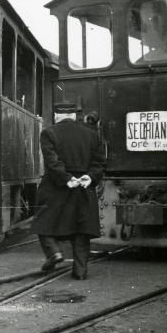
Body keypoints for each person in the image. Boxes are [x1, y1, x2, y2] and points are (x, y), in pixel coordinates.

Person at [32, 105, 106, 279]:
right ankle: (80, 272)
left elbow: (52, 162)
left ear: (57, 115)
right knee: (81, 231)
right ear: (74, 116)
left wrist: (66, 178)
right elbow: (100, 163)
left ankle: (54, 253)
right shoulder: (92, 135)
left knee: (43, 221)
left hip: (56, 186)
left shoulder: (49, 133)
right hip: (83, 187)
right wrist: (90, 177)